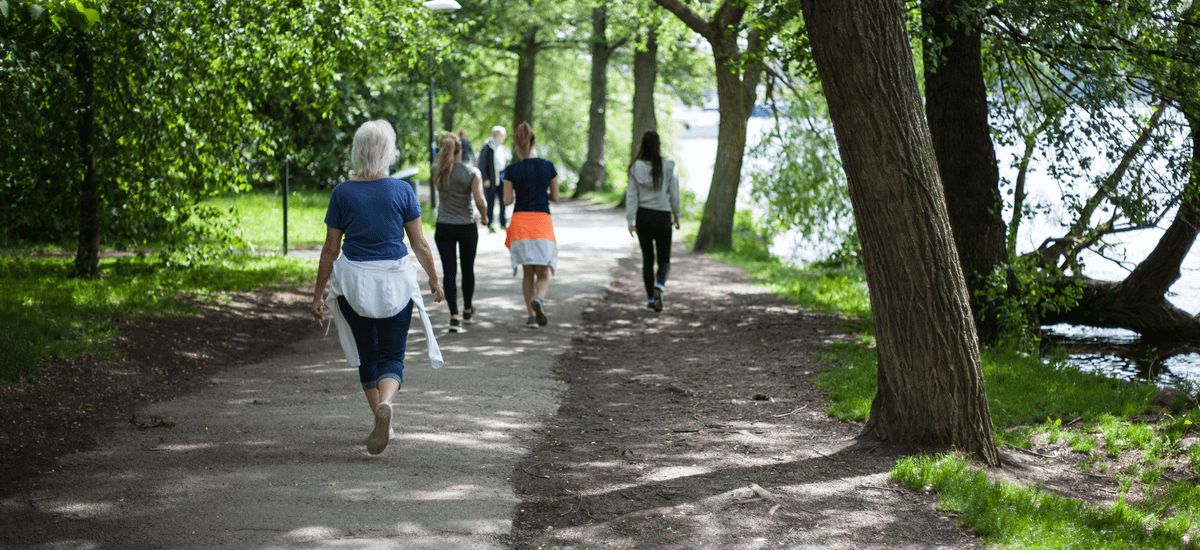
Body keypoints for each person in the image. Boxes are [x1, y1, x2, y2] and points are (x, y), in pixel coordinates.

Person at [310, 119, 445, 456]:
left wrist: (318, 295)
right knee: (392, 356)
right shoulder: (402, 191)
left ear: (358, 152)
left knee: (367, 356)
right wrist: (434, 279)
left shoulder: (343, 192)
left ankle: (382, 420)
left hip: (354, 286)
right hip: (395, 283)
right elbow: (419, 244)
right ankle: (387, 404)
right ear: (390, 152)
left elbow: (330, 250)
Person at [503, 122, 559, 328]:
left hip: (521, 222)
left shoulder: (511, 169)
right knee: (544, 272)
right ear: (534, 141)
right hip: (542, 222)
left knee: (527, 273)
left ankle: (531, 316)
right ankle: (539, 299)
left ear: (516, 144)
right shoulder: (548, 167)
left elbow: (507, 201)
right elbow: (556, 197)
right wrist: (541, 192)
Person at [433, 132, 488, 332]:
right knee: (467, 269)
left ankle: (454, 317)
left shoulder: (437, 170)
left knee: (449, 271)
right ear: (461, 148)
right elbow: (480, 200)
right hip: (466, 226)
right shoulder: (471, 172)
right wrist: (485, 217)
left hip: (444, 226)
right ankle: (467, 309)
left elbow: (437, 161)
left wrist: (444, 149)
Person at [626, 129, 680, 312]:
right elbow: (674, 195)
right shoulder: (669, 166)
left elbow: (632, 196)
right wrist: (677, 216)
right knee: (664, 259)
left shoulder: (635, 167)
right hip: (663, 216)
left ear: (642, 145)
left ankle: (650, 299)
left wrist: (630, 220)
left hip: (643, 216)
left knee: (647, 259)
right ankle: (660, 285)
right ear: (658, 145)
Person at [477, 126, 508, 234]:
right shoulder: (487, 147)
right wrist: (485, 178)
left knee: (503, 201)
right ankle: (490, 223)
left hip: (501, 178)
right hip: (491, 179)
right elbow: (482, 163)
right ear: (497, 135)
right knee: (490, 202)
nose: (504, 137)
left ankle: (503, 223)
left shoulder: (501, 147)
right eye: (502, 135)